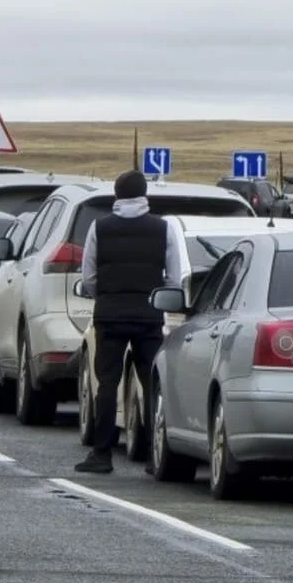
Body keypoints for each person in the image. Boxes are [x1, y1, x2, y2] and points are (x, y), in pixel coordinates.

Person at [74, 169, 182, 475]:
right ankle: (152, 454)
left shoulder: (100, 228)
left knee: (107, 383)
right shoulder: (163, 229)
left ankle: (101, 454)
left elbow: (89, 277)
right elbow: (173, 278)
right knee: (151, 384)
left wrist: (106, 296)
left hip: (109, 315)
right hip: (149, 316)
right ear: (144, 194)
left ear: (117, 195)